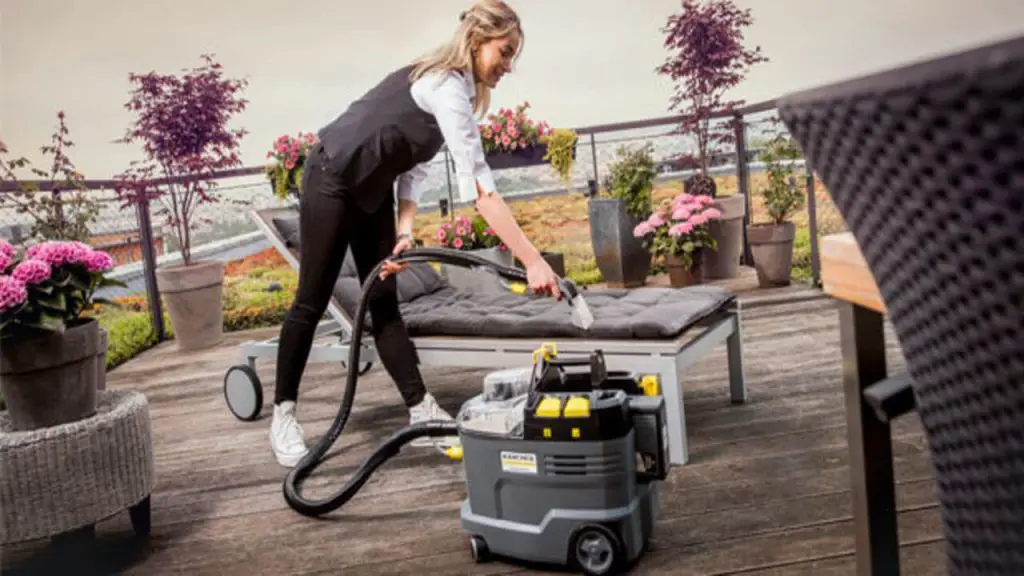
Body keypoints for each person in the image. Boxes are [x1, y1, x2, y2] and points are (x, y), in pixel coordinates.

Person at [269, 0, 562, 467]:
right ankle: (283, 414)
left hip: (372, 193)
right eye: (504, 53)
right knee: (311, 297)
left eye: (512, 56)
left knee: (384, 300)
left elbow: (416, 165)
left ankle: (419, 409)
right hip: (331, 177)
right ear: (478, 40)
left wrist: (404, 227)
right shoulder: (444, 85)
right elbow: (481, 189)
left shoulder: (459, 91)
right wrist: (531, 258)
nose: (508, 66)